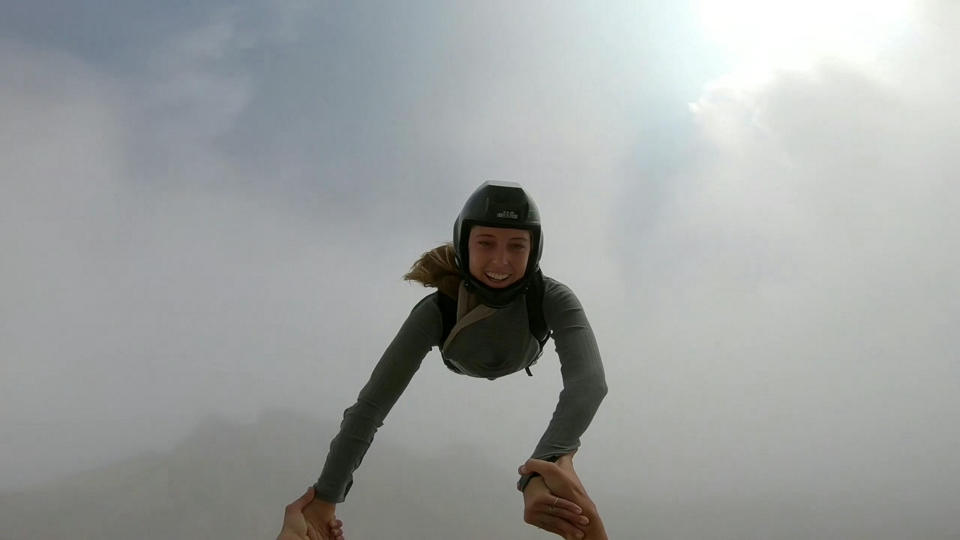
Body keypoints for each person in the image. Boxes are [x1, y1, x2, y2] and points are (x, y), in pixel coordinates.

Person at [301, 181, 608, 538]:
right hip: (459, 352)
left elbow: (588, 386)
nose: (501, 261)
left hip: (518, 350)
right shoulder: (437, 311)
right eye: (485, 243)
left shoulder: (551, 297)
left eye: (517, 246)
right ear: (464, 244)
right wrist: (325, 497)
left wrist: (539, 471)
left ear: (534, 251)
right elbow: (371, 406)